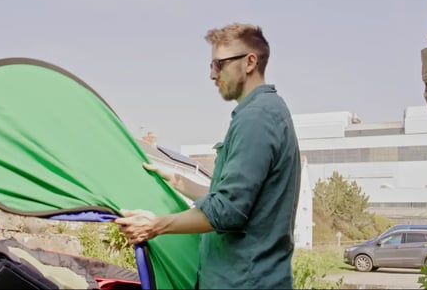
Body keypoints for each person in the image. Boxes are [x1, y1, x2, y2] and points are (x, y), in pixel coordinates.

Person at [115, 23, 301, 289]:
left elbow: (228, 212)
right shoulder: (265, 112)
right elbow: (235, 200)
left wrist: (155, 225)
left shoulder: (257, 118)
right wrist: (178, 180)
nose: (212, 75)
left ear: (249, 62)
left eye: (219, 64)